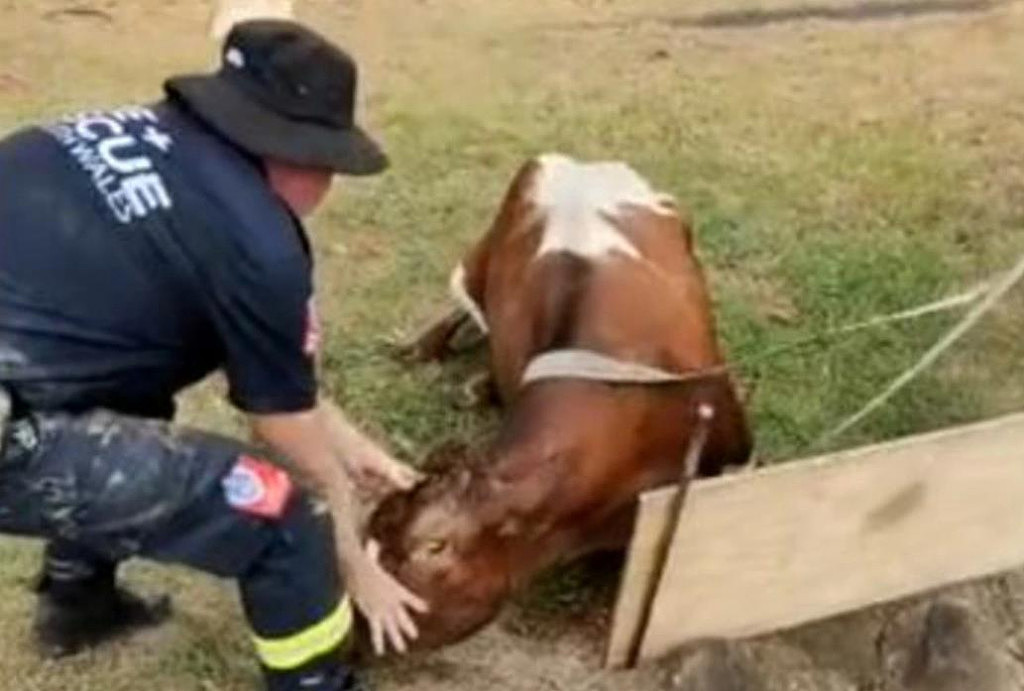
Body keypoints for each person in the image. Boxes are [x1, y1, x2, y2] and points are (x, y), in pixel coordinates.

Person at [0, 18, 427, 691]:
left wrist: (350, 443)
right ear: (295, 153)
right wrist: (354, 556)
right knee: (284, 515)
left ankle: (77, 603)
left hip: (26, 360)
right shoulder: (258, 244)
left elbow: (273, 372)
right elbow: (285, 433)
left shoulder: (124, 138)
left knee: (134, 385)